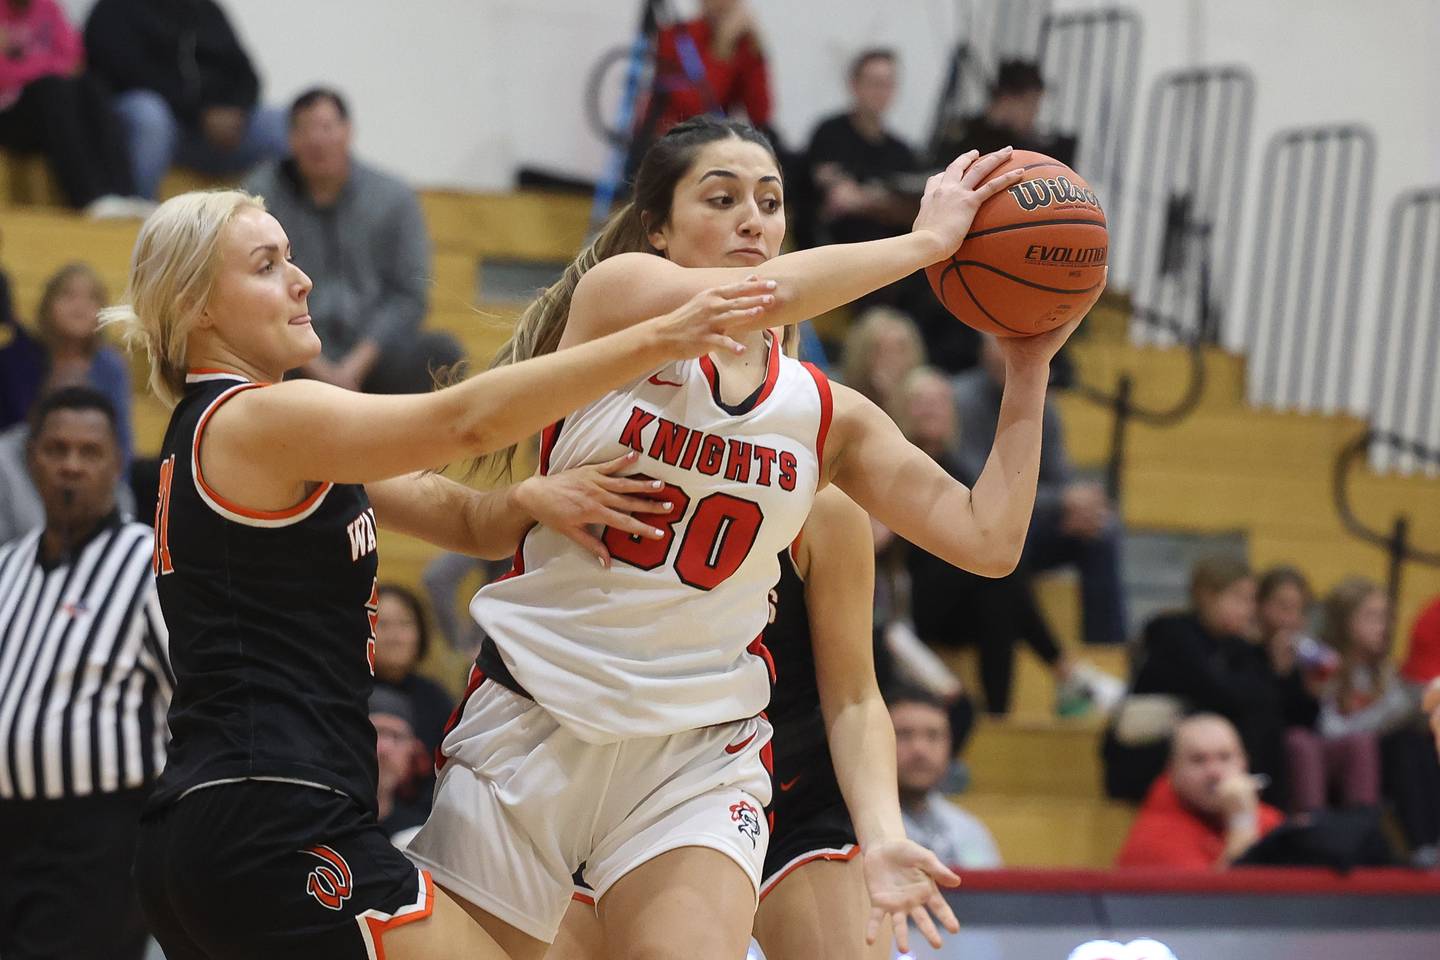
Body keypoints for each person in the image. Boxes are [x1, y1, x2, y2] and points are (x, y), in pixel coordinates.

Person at [408, 116, 1065, 959]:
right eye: (720, 200)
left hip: (697, 755)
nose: (752, 219)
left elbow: (989, 540)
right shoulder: (619, 300)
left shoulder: (826, 415)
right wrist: (923, 243)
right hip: (537, 718)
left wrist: (1027, 367)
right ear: (659, 229)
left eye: (770, 201)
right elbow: (756, 303)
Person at [112, 187, 783, 960]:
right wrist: (660, 335)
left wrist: (527, 499)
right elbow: (464, 422)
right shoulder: (261, 418)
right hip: (276, 819)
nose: (300, 281)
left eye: (292, 258)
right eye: (267, 266)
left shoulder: (254, 436)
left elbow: (461, 516)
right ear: (196, 306)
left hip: (210, 828)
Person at [551, 487, 959, 960]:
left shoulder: (821, 501)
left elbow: (854, 697)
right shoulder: (605, 466)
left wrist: (885, 834)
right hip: (639, 783)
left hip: (794, 786)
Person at [0, 386, 172, 960]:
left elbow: (199, 701)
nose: (71, 464)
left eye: (89, 451)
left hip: (102, 836)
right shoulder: (7, 569)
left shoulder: (150, 566)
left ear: (117, 461)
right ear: (32, 460)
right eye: (56, 449)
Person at [896, 366, 1113, 716]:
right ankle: (1063, 673)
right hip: (910, 601)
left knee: (1000, 584)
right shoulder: (891, 461)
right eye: (921, 401)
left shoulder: (959, 467)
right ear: (901, 408)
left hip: (960, 598)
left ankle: (1000, 716)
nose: (931, 409)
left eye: (939, 401)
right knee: (999, 572)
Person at [245, 88, 461, 394]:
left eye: (327, 127)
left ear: (348, 131)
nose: (317, 140)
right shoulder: (262, 195)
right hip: (292, 359)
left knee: (442, 353)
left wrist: (356, 364)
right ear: (291, 139)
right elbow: (253, 286)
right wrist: (315, 366)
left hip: (373, 359)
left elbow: (409, 296)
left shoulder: (393, 198)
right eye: (305, 129)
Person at [954, 334, 1128, 650]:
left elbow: (1060, 478)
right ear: (982, 349)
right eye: (996, 343)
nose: (1003, 353)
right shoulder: (962, 398)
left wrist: (1074, 507)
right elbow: (973, 483)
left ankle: (1105, 650)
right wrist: (1061, 501)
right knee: (1013, 536)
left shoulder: (1042, 402)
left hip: (1031, 515)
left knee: (1101, 529)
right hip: (978, 522)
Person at [1103, 557, 1286, 805]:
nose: (1248, 610)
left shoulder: (1238, 647)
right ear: (1207, 596)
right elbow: (1218, 691)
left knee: (1269, 726)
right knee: (1238, 727)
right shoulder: (1172, 632)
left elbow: (1268, 698)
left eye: (1251, 601)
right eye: (1239, 598)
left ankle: (1266, 809)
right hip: (1147, 749)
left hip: (1196, 749)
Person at [83, 0, 287, 200]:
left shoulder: (205, 10)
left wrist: (235, 111)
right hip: (155, 126)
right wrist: (200, 114)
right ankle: (137, 215)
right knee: (149, 114)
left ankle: (278, 225)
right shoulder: (114, 9)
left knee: (281, 124)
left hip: (212, 132)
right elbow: (126, 74)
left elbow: (246, 75)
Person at [1317, 578, 1438, 867]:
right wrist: (1397, 711)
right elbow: (1331, 731)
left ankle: (1432, 839)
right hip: (1341, 760)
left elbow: (1402, 710)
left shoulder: (1385, 671)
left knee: (1422, 742)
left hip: (1386, 757)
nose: (1383, 626)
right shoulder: (1327, 666)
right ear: (1344, 622)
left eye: (1386, 617)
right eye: (1372, 616)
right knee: (1403, 745)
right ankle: (1423, 843)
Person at [0, 0, 143, 214]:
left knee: (92, 86)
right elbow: (5, 77)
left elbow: (74, 58)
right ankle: (88, 197)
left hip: (49, 103)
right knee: (53, 90)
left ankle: (124, 193)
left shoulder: (47, 8)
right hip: (10, 115)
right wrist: (48, 67)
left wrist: (35, 67)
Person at [1256, 566, 1379, 815]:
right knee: (1300, 743)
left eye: (1299, 610)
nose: (1291, 619)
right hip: (1272, 749)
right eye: (1283, 607)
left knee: (1360, 743)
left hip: (1316, 742)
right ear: (1260, 606)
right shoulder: (1246, 650)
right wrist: (1278, 674)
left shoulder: (1305, 655)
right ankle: (1313, 829)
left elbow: (1309, 719)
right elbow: (1262, 716)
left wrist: (1313, 692)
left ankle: (1362, 827)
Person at [1115, 714, 1284, 870]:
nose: (1214, 772)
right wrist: (1241, 823)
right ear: (1172, 771)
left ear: (1244, 762)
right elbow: (1222, 900)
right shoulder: (1152, 839)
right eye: (1198, 760)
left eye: (1225, 757)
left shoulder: (1269, 820)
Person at [805, 49, 921, 248]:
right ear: (855, 85)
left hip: (891, 252)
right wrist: (886, 202)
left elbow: (913, 210)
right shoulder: (830, 133)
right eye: (875, 83)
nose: (881, 92)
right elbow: (838, 198)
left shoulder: (902, 151)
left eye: (888, 84)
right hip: (837, 248)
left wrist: (864, 198)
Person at [891, 686, 1002, 870]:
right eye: (903, 734)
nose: (920, 749)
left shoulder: (970, 830)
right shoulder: (850, 831)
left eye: (933, 736)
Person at [643, 0, 772, 145]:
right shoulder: (674, 37)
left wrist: (757, 54)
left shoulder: (741, 43)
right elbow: (695, 110)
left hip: (714, 144)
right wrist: (722, 50)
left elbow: (760, 115)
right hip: (670, 144)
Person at [932, 60, 1075, 168]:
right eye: (1031, 104)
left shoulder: (1032, 145)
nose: (1035, 113)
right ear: (1007, 99)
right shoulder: (962, 136)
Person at [373, 582, 454, 757]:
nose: (395, 637)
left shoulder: (436, 700)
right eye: (383, 624)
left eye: (405, 624)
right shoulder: (345, 693)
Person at [370, 686, 431, 847]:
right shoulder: (325, 822)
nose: (384, 748)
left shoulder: (420, 834)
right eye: (375, 732)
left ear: (412, 750)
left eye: (397, 736)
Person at [837, 305, 927, 413]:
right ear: (861, 354)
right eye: (881, 350)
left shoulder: (927, 398)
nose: (892, 360)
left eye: (900, 349)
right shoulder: (837, 392)